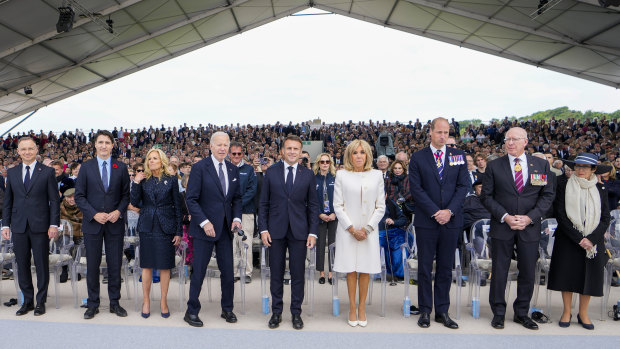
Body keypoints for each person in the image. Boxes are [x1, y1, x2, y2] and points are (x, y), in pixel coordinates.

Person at [480, 127, 555, 330]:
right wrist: (505, 217)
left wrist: (529, 218)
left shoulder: (540, 165)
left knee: (528, 273)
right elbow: (486, 196)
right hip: (503, 226)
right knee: (499, 272)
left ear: (525, 142)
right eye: (507, 139)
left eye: (514, 139)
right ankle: (499, 313)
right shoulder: (495, 166)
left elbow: (547, 196)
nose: (510, 143)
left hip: (529, 228)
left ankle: (522, 313)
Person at [408, 117, 468, 329]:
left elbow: (463, 186)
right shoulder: (418, 157)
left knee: (445, 267)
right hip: (427, 221)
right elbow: (416, 189)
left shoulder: (458, 155)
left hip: (451, 222)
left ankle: (442, 311)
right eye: (439, 132)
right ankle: (425, 310)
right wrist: (436, 212)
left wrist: (449, 211)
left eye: (446, 132)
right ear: (431, 132)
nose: (443, 136)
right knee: (425, 267)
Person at [259, 134, 319, 330]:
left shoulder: (308, 174)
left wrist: (313, 232)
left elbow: (313, 206)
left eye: (296, 149)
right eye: (289, 148)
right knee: (275, 273)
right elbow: (264, 203)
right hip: (275, 231)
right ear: (282, 151)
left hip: (299, 231)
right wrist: (263, 229)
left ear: (301, 152)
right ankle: (276, 312)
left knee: (298, 274)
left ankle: (296, 313)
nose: (292, 152)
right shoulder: (271, 172)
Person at [184, 131, 243, 327]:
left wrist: (236, 218)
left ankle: (227, 309)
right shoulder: (200, 168)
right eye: (218, 144)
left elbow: (236, 198)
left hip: (226, 230)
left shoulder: (233, 169)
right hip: (204, 230)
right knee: (199, 272)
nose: (222, 148)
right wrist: (204, 222)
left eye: (225, 145)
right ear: (210, 146)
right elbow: (191, 199)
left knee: (228, 272)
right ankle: (191, 311)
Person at [547, 153, 611, 330]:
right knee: (566, 276)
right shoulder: (564, 185)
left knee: (589, 277)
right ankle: (566, 311)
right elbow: (560, 214)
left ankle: (583, 313)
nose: (580, 170)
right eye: (578, 166)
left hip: (593, 241)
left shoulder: (601, 189)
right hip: (568, 238)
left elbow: (605, 218)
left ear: (593, 170)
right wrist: (579, 239)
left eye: (585, 167)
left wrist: (591, 239)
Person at [74, 130, 131, 319]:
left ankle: (115, 303)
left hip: (115, 223)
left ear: (113, 145)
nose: (104, 145)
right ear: (95, 144)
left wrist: (118, 211)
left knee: (115, 265)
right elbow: (79, 196)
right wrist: (94, 214)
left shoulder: (120, 167)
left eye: (107, 142)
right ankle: (93, 303)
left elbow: (125, 196)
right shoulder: (86, 167)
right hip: (93, 224)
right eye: (100, 142)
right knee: (93, 264)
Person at [2, 137, 60, 316]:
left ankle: (40, 302)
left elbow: (54, 201)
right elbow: (8, 202)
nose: (27, 152)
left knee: (42, 264)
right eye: (23, 149)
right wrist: (5, 225)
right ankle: (27, 301)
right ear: (18, 152)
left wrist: (53, 224)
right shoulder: (11, 173)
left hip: (41, 225)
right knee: (22, 264)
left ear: (36, 150)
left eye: (30, 148)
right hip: (19, 226)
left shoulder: (48, 172)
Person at [333, 139, 385, 327]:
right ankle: (352, 308)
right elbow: (338, 206)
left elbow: (381, 206)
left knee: (365, 269)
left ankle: (362, 307)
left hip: (368, 231)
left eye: (362, 152)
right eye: (355, 152)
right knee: (351, 270)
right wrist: (352, 229)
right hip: (348, 231)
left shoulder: (377, 175)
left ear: (368, 155)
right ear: (349, 155)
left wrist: (367, 229)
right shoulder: (341, 175)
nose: (359, 156)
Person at [130, 148, 182, 319]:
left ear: (162, 161)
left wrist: (178, 231)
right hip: (147, 226)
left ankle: (163, 301)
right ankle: (146, 301)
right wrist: (136, 182)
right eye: (149, 158)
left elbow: (177, 206)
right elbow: (134, 201)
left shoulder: (172, 180)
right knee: (147, 265)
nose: (151, 161)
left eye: (155, 158)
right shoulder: (144, 180)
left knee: (165, 266)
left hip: (166, 227)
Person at [229, 142, 257, 284]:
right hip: (228, 213)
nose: (236, 156)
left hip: (246, 212)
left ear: (242, 154)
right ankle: (233, 272)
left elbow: (252, 190)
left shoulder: (249, 169)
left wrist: (237, 205)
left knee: (245, 242)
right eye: (234, 153)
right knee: (232, 243)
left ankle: (247, 272)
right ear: (229, 154)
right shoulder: (225, 169)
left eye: (239, 153)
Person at [313, 152, 337, 285]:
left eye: (327, 162)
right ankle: (321, 273)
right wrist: (319, 213)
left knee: (333, 245)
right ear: (318, 163)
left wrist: (335, 213)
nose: (325, 164)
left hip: (333, 216)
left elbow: (341, 198)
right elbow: (311, 200)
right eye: (322, 162)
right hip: (320, 216)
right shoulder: (313, 178)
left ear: (330, 163)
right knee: (321, 244)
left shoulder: (335, 178)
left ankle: (331, 273)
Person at [59, 187, 83, 283]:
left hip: (80, 233)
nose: (72, 199)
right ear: (65, 198)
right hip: (65, 233)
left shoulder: (82, 205)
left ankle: (75, 269)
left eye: (74, 196)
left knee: (79, 244)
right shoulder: (61, 207)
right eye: (69, 197)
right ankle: (65, 270)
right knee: (65, 241)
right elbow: (59, 223)